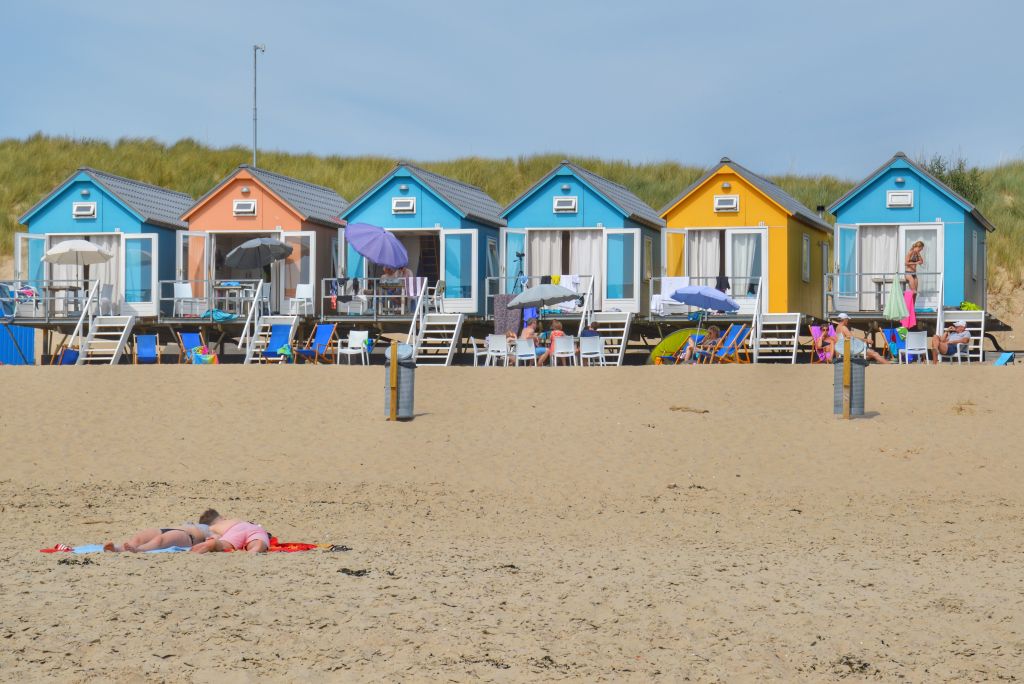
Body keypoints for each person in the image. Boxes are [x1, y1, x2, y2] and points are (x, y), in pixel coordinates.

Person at [189, 508, 270, 554]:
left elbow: (216, 536)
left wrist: (215, 540)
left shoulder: (212, 527)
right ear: (221, 517)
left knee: (222, 544)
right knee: (258, 541)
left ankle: (212, 544)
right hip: (254, 528)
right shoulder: (234, 520)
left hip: (234, 531)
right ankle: (257, 546)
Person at [104, 522, 210, 553]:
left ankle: (139, 549)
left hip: (188, 537)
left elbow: (215, 540)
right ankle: (117, 549)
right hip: (167, 528)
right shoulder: (195, 523)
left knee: (159, 541)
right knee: (138, 539)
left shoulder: (211, 529)